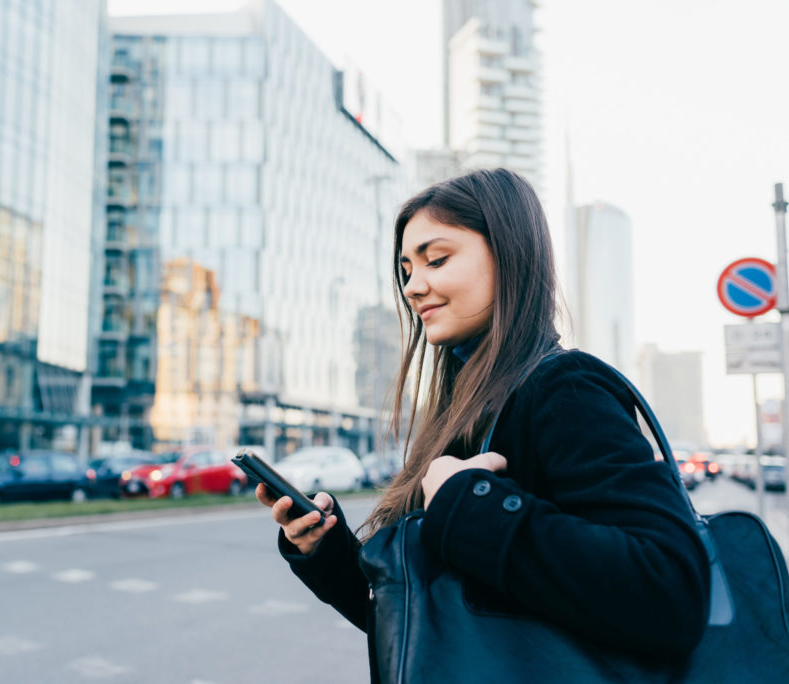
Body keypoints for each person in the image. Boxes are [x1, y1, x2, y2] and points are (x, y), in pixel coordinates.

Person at [257, 168, 710, 679]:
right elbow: (436, 628)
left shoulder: (565, 389)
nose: (413, 286)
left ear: (509, 256)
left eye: (437, 259)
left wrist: (467, 503)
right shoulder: (467, 409)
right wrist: (325, 551)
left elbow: (670, 592)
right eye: (406, 268)